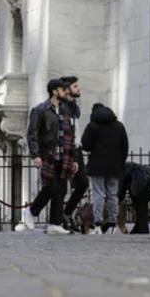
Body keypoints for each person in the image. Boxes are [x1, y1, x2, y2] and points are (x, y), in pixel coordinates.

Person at [24, 79, 78, 235]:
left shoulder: (65, 110)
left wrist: (73, 157)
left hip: (65, 155)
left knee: (61, 189)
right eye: (63, 90)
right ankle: (32, 211)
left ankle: (55, 223)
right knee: (50, 187)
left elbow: (71, 135)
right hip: (48, 154)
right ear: (55, 91)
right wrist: (35, 155)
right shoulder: (40, 110)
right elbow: (32, 134)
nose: (66, 92)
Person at [81, 103, 129, 234]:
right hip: (114, 165)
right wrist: (120, 162)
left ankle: (97, 223)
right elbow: (124, 146)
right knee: (113, 194)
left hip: (97, 165)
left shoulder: (92, 126)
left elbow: (85, 145)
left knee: (98, 194)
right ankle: (113, 223)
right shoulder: (119, 126)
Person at [58, 75, 89, 230]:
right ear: (67, 90)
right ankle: (58, 219)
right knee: (60, 187)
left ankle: (67, 213)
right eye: (75, 86)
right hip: (65, 149)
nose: (79, 89)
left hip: (76, 148)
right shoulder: (61, 108)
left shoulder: (74, 106)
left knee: (83, 182)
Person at [119, 162, 150, 234]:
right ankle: (138, 227)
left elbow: (121, 187)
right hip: (149, 177)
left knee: (140, 205)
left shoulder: (120, 171)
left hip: (141, 180)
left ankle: (143, 229)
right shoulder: (125, 167)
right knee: (142, 205)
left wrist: (119, 200)